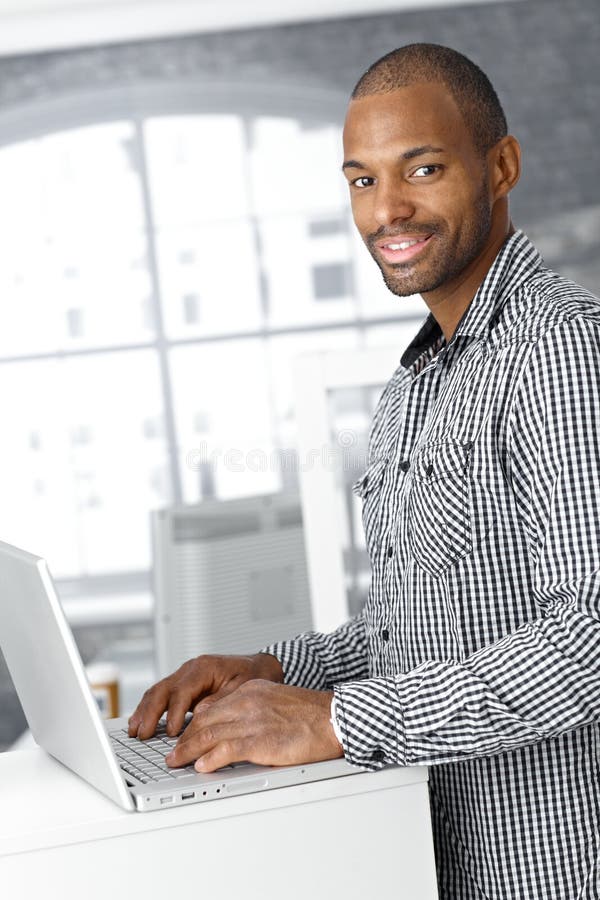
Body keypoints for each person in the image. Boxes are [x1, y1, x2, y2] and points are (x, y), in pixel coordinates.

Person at [129, 44, 600, 899]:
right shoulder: (414, 388)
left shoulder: (559, 350)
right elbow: (416, 625)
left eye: (421, 167)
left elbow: (589, 643)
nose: (389, 209)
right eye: (361, 180)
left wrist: (336, 718)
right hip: (436, 853)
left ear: (502, 166)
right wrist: (274, 671)